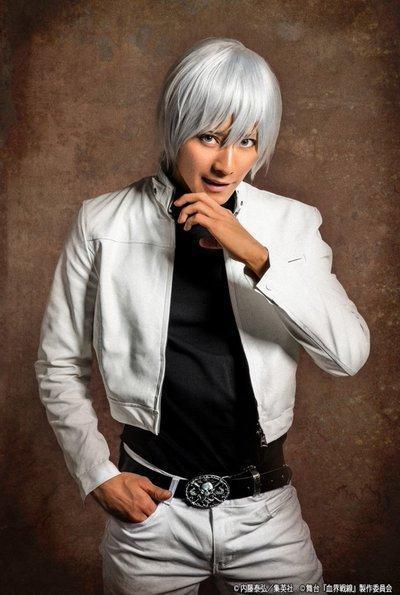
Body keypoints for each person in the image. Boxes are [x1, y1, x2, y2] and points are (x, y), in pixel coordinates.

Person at [34, 37, 370, 594]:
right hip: (151, 520)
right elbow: (59, 364)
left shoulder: (292, 224)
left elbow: (348, 355)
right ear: (175, 127)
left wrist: (256, 255)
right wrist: (97, 475)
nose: (226, 163)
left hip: (266, 515)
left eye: (246, 142)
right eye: (209, 137)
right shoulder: (102, 223)